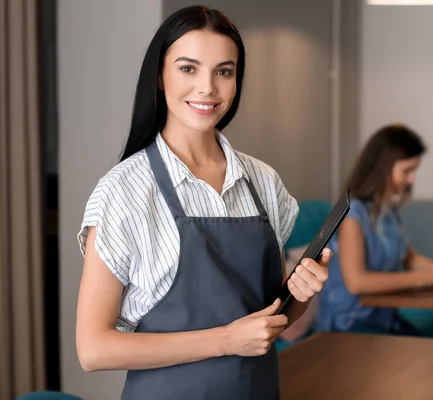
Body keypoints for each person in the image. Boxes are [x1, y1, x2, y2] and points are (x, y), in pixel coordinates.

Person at [75, 6, 330, 399]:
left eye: (223, 71)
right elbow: (93, 349)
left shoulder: (263, 181)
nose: (207, 88)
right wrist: (226, 340)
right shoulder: (123, 192)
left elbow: (272, 320)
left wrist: (301, 292)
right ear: (160, 76)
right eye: (188, 68)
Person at [315, 124, 433, 335]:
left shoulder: (387, 213)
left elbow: (409, 258)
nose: (412, 179)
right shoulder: (351, 216)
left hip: (383, 318)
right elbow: (356, 282)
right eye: (407, 171)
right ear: (382, 168)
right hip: (350, 325)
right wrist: (429, 277)